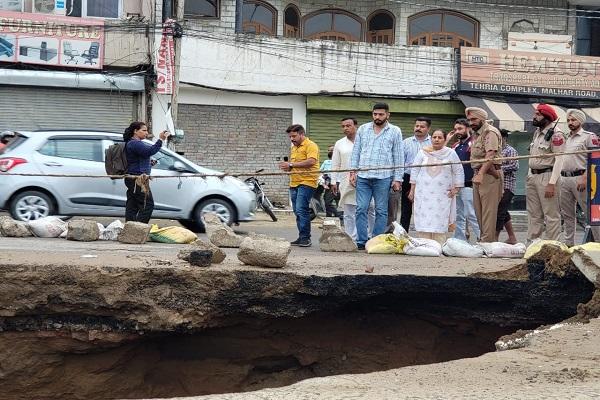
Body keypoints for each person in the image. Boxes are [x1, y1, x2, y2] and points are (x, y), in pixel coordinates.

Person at [350, 103, 403, 250]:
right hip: (363, 176)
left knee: (381, 210)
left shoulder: (395, 131)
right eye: (375, 114)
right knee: (361, 208)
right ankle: (361, 242)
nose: (377, 117)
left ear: (387, 115)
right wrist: (353, 172)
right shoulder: (363, 129)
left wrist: (397, 179)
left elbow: (398, 156)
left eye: (381, 114)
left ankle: (376, 241)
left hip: (384, 177)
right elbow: (356, 152)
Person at [408, 129, 464, 244]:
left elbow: (458, 170)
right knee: (424, 218)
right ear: (431, 138)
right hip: (423, 193)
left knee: (440, 219)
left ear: (444, 140)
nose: (437, 140)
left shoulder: (450, 153)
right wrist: (412, 190)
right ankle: (424, 244)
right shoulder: (422, 152)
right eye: (434, 137)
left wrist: (456, 188)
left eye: (440, 137)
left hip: (442, 194)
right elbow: (414, 170)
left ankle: (438, 245)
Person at [560, 109, 600, 246]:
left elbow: (595, 159)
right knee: (567, 215)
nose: (570, 123)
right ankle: (568, 244)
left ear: (580, 121)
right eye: (568, 120)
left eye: (573, 120)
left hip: (581, 178)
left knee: (590, 213)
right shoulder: (566, 138)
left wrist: (585, 177)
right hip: (564, 179)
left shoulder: (589, 137)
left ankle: (598, 243)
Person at [331, 117, 375, 241]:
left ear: (356, 126)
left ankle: (371, 236)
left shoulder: (367, 141)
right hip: (346, 181)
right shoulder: (340, 143)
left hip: (366, 179)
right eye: (343, 126)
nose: (345, 128)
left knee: (370, 208)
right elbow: (335, 163)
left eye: (348, 125)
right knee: (349, 210)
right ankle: (351, 237)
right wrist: (333, 181)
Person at [527, 104, 566, 243]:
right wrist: (529, 175)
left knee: (551, 215)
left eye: (538, 114)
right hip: (533, 176)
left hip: (547, 176)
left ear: (547, 117)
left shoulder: (557, 134)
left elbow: (559, 159)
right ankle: (532, 245)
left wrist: (552, 183)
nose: (534, 116)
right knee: (534, 214)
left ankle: (552, 246)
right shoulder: (537, 132)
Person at [279, 124, 319, 247]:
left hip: (307, 181)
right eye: (290, 136)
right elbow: (295, 165)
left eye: (294, 136)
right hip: (294, 182)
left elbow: (311, 161)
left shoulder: (311, 145)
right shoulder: (293, 148)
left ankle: (306, 238)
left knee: (301, 209)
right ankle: (302, 236)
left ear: (302, 134)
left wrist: (291, 165)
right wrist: (288, 168)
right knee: (297, 211)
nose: (292, 139)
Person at [467, 107, 503, 243]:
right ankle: (483, 240)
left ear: (482, 119)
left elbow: (490, 154)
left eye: (474, 119)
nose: (471, 122)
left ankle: (487, 242)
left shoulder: (490, 132)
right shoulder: (477, 134)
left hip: (489, 174)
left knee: (488, 212)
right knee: (479, 211)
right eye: (469, 120)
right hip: (478, 174)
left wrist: (481, 173)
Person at [124, 122, 169, 223]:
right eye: (143, 130)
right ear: (135, 131)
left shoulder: (132, 143)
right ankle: (138, 230)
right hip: (138, 180)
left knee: (133, 206)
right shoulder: (135, 143)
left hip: (134, 178)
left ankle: (130, 230)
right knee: (147, 205)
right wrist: (161, 139)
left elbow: (138, 160)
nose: (146, 133)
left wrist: (150, 163)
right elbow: (149, 151)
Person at [397, 117, 432, 232]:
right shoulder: (406, 142)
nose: (418, 128)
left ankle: (425, 234)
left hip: (428, 179)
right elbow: (400, 162)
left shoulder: (433, 142)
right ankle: (403, 234)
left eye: (422, 127)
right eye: (417, 126)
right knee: (406, 208)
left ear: (428, 128)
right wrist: (399, 179)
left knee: (425, 207)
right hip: (408, 177)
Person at [450, 118, 480, 242]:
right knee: (459, 215)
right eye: (456, 129)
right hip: (457, 185)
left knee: (471, 214)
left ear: (468, 129)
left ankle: (482, 238)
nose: (457, 131)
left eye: (460, 129)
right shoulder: (455, 146)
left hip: (469, 184)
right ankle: (459, 240)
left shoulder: (473, 143)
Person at [496, 129, 519, 244]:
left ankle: (495, 237)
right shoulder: (495, 151)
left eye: (499, 138)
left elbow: (514, 166)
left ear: (504, 138)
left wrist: (497, 169)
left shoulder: (510, 151)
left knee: (500, 212)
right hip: (495, 186)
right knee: (503, 212)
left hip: (507, 186)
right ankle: (512, 237)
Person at [318, 145, 340, 217]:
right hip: (328, 184)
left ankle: (338, 215)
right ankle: (329, 216)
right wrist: (322, 181)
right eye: (329, 150)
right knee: (326, 200)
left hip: (337, 183)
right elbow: (320, 172)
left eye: (332, 150)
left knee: (329, 202)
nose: (330, 152)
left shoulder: (339, 162)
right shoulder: (326, 162)